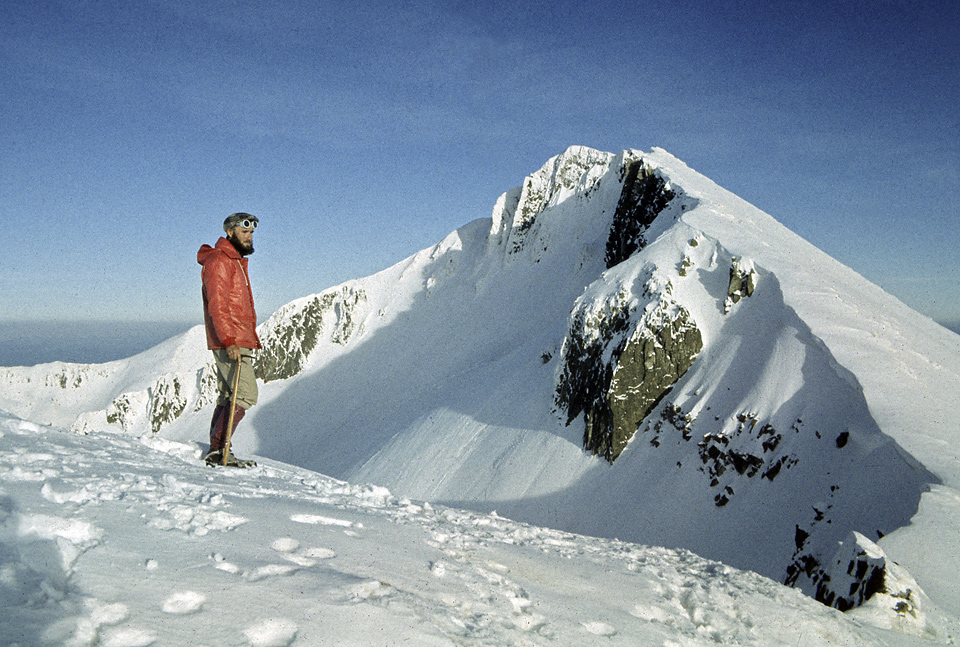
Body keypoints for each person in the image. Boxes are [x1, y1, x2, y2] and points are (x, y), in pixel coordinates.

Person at [197, 213, 262, 467]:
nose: (249, 236)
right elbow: (218, 306)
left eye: (252, 233)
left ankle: (218, 450)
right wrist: (229, 340)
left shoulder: (233, 261)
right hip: (231, 341)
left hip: (235, 338)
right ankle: (219, 450)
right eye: (244, 232)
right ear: (230, 232)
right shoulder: (221, 261)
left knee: (229, 394)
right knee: (245, 393)